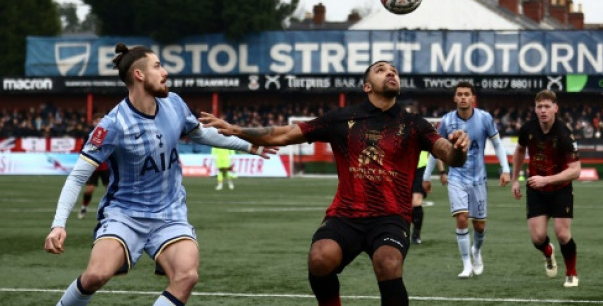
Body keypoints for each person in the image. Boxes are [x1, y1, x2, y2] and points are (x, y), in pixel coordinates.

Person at [199, 60, 470, 306]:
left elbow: (449, 154)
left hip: (391, 216)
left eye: (394, 71)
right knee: (319, 258)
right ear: (367, 86)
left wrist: (459, 148)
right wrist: (235, 130)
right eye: (381, 70)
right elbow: (283, 135)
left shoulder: (414, 124)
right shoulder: (342, 118)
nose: (391, 73)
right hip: (346, 215)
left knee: (387, 262)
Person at [44, 44, 276, 306]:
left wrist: (248, 144)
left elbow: (202, 134)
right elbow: (77, 177)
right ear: (139, 75)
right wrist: (58, 224)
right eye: (157, 66)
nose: (165, 72)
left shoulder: (174, 103)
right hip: (125, 215)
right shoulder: (112, 125)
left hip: (170, 215)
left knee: (187, 275)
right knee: (96, 275)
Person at [423, 81, 511, 278]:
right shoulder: (446, 121)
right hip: (456, 177)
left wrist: (505, 169)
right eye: (459, 94)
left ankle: (476, 251)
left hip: (478, 179)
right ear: (455, 98)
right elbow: (435, 150)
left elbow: (497, 145)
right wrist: (427, 176)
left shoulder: (485, 118)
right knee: (462, 218)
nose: (463, 97)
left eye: (466, 94)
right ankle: (466, 265)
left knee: (479, 225)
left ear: (473, 98)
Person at [510, 90, 581, 288]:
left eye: (547, 106)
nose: (543, 111)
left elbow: (576, 171)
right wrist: (515, 180)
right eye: (539, 107)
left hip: (560, 188)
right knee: (537, 237)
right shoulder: (527, 129)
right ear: (535, 108)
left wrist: (547, 180)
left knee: (562, 234)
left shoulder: (565, 134)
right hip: (536, 188)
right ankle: (548, 253)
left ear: (555, 108)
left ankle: (571, 274)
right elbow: (519, 150)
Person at [410, 150, 438, 244]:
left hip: (421, 169)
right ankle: (402, 231)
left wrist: (442, 171)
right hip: (404, 167)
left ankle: (416, 234)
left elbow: (435, 150)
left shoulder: (423, 135)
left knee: (416, 201)